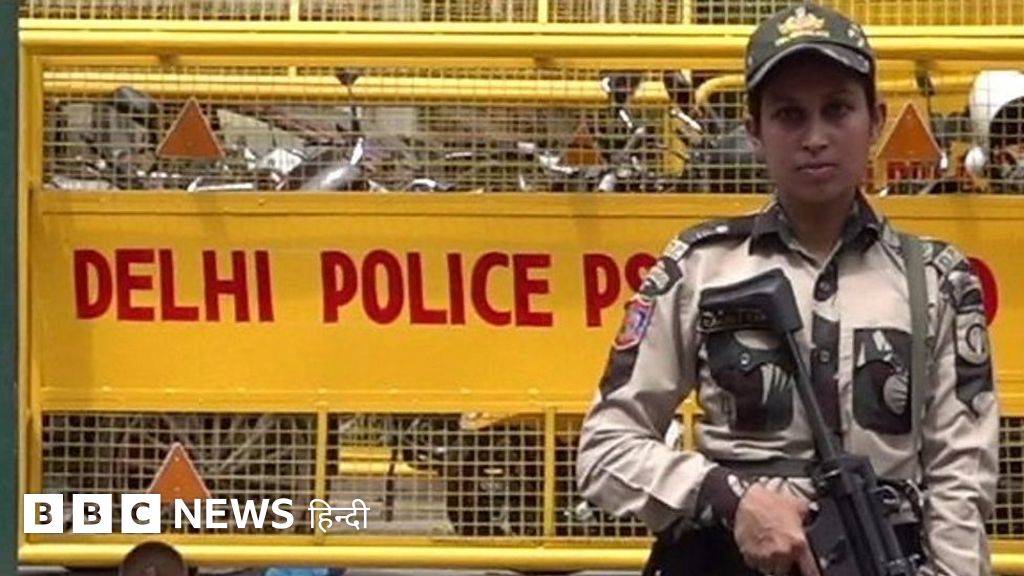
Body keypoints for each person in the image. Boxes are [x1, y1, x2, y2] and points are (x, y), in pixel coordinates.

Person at [575, 3, 999, 576]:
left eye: (838, 109)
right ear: (754, 131)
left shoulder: (938, 282)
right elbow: (605, 449)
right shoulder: (699, 268)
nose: (815, 137)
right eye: (789, 115)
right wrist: (729, 498)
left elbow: (960, 481)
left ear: (876, 120)